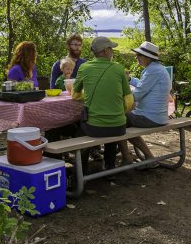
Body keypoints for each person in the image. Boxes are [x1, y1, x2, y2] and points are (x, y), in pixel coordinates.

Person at [72, 36, 133, 170]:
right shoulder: (119, 69)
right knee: (111, 127)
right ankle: (109, 166)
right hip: (119, 127)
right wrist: (117, 112)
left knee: (78, 130)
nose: (112, 51)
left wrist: (88, 95)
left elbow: (75, 95)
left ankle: (80, 170)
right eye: (111, 49)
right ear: (105, 51)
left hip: (95, 128)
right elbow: (129, 102)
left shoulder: (84, 67)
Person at [125, 41, 171, 162]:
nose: (136, 57)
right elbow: (142, 84)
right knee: (121, 120)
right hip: (158, 116)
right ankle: (147, 157)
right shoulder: (156, 69)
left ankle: (127, 157)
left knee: (116, 120)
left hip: (150, 117)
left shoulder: (152, 71)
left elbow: (136, 96)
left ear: (147, 57)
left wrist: (119, 93)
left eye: (139, 55)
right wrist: (129, 79)